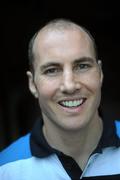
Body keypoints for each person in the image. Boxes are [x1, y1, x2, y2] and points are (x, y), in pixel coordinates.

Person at [0, 18, 120, 180]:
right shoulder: (6, 170)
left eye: (82, 66)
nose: (69, 85)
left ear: (100, 73)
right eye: (51, 70)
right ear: (32, 84)